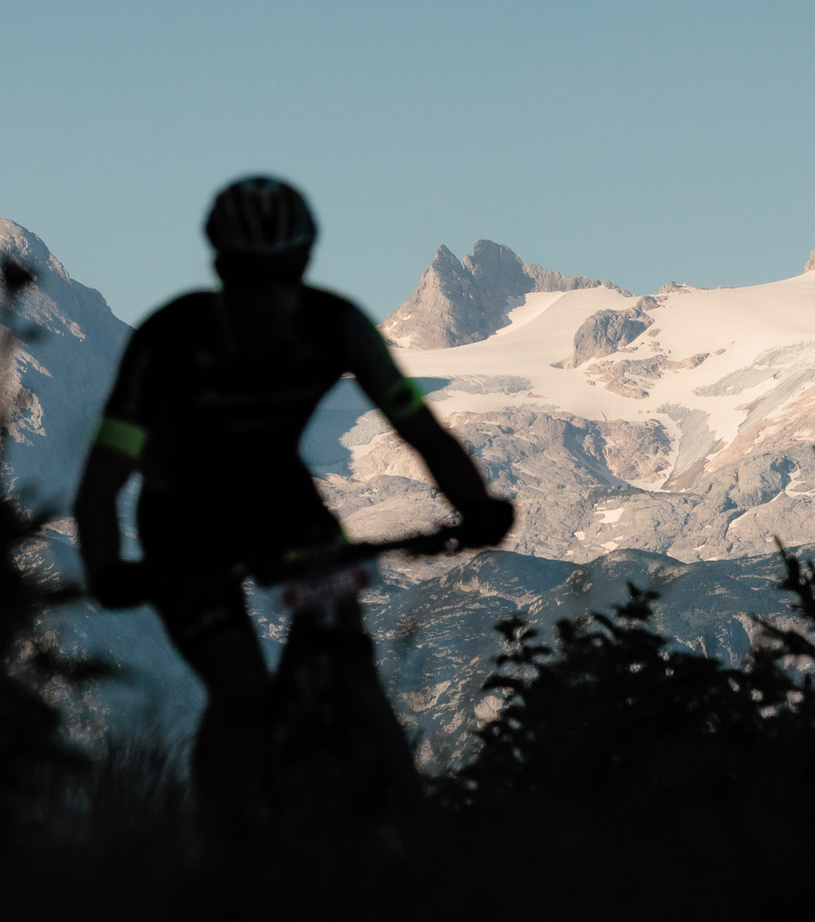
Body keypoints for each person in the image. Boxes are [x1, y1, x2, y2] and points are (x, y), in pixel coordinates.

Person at [71, 175, 515, 841]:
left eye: (288, 275)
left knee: (350, 668)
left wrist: (475, 505)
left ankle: (418, 846)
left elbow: (420, 431)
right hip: (182, 526)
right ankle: (224, 853)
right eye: (254, 278)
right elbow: (104, 476)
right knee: (243, 692)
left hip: (284, 505)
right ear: (223, 272)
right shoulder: (172, 340)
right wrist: (108, 566)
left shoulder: (333, 325)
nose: (273, 296)